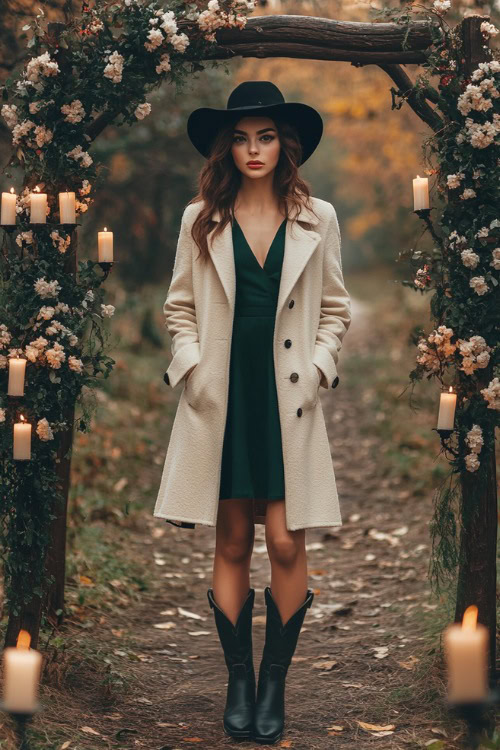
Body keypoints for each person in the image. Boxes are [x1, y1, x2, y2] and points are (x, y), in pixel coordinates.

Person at [155, 80, 352, 744]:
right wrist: (192, 371)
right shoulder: (200, 218)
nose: (254, 149)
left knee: (288, 540)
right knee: (233, 541)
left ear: (285, 144)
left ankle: (275, 687)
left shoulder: (316, 216)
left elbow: (334, 309)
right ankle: (239, 685)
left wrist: (321, 369)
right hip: (224, 397)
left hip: (287, 399)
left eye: (265, 136)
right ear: (226, 148)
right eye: (240, 138)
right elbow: (179, 307)